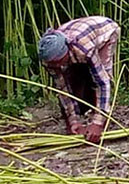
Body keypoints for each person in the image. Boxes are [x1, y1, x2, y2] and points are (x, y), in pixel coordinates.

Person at [37, 16, 121, 144]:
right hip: (77, 33)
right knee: (73, 78)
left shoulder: (83, 49)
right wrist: (73, 122)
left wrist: (97, 124)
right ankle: (79, 118)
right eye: (53, 64)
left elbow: (102, 83)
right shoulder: (49, 60)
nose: (57, 67)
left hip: (105, 31)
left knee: (99, 75)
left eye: (59, 62)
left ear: (66, 52)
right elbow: (62, 88)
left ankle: (100, 117)